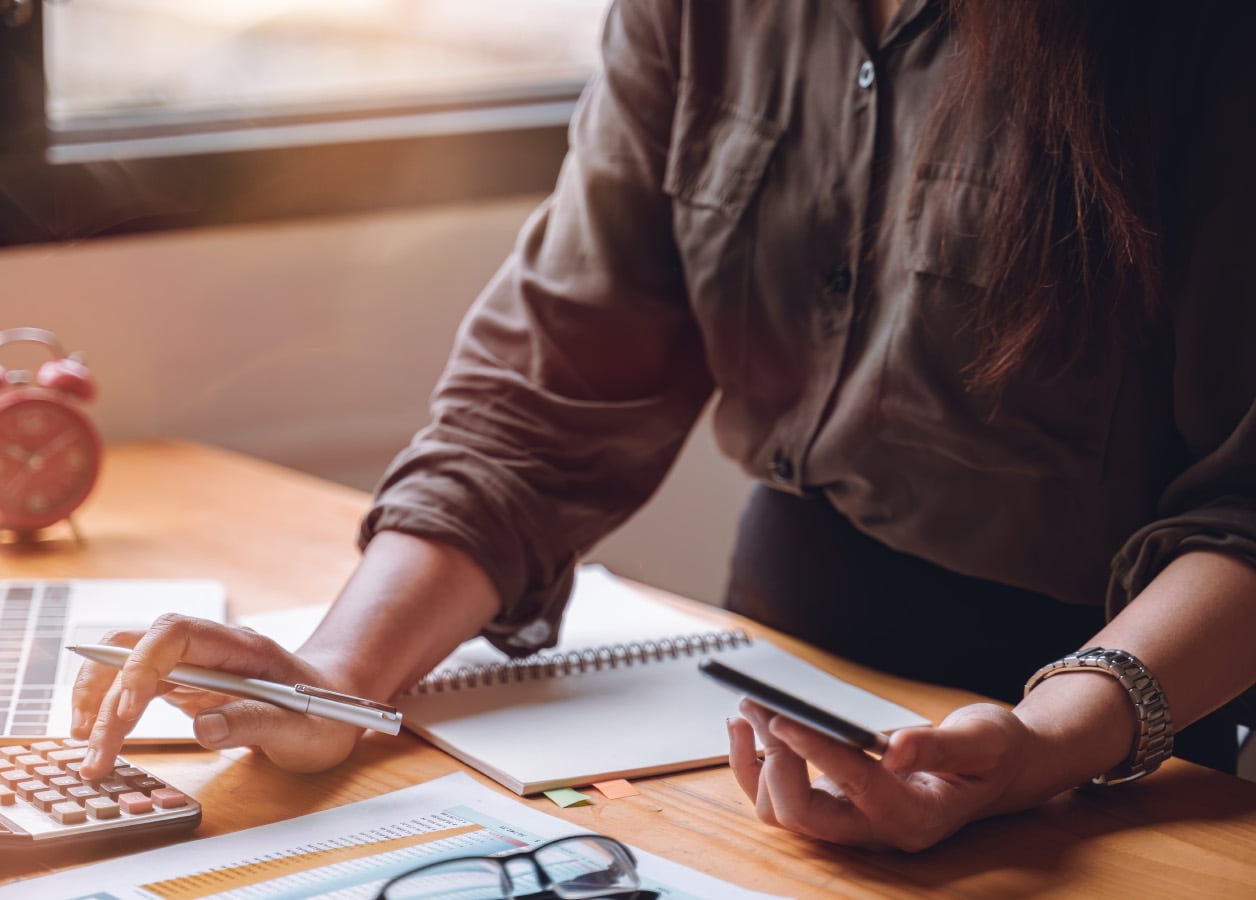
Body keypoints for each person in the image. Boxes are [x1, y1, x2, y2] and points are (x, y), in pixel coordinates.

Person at [74, 0, 1256, 851]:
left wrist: (1055, 739)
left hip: (1127, 720)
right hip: (785, 677)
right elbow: (543, 397)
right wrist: (334, 681)